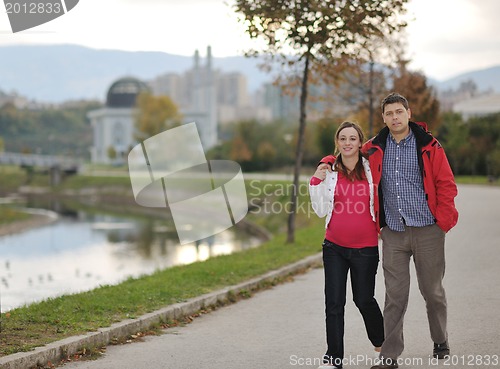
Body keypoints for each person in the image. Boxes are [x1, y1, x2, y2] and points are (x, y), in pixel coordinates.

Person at [361, 92, 459, 369]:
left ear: (408, 113)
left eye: (399, 112)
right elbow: (346, 153)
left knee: (432, 291)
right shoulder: (375, 147)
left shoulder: (429, 145)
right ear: (383, 118)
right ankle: (389, 356)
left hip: (428, 229)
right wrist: (324, 163)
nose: (394, 117)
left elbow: (446, 184)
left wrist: (443, 222)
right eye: (389, 113)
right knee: (395, 295)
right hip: (393, 232)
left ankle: (440, 339)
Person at [309, 121, 384, 369]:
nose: (348, 143)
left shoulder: (371, 168)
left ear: (360, 142)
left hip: (366, 248)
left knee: (364, 300)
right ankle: (333, 359)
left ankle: (382, 343)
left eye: (353, 138)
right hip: (334, 248)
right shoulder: (329, 171)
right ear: (337, 142)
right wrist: (315, 183)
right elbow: (320, 210)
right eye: (343, 138)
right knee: (334, 302)